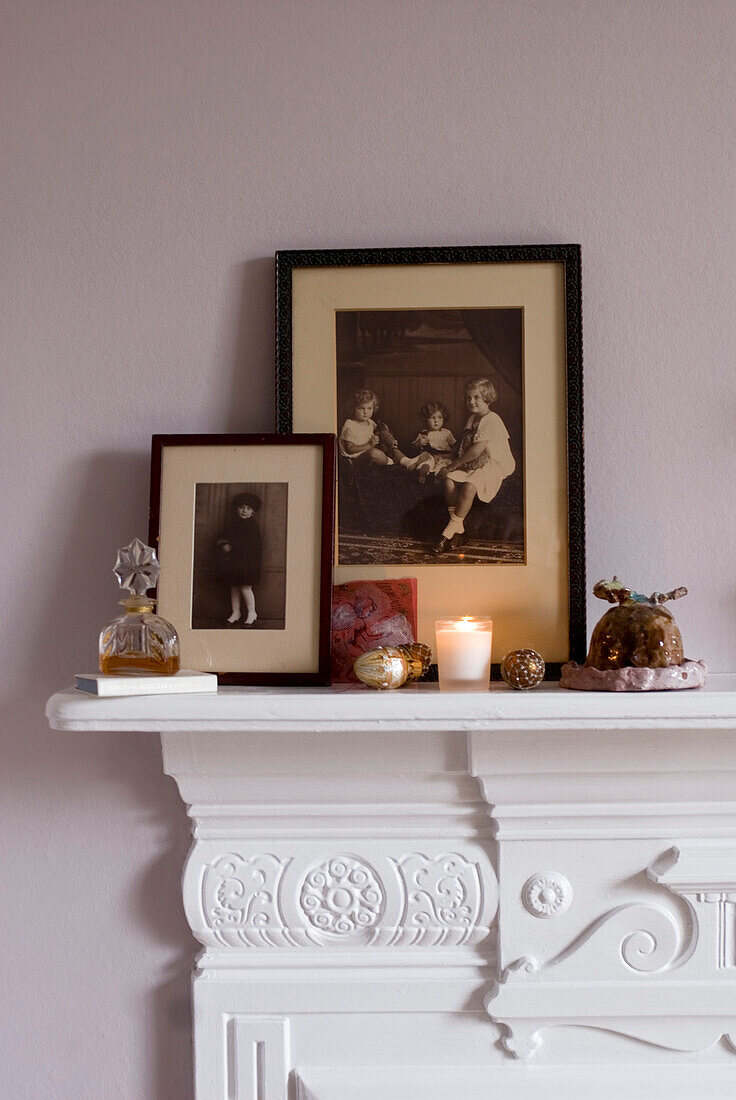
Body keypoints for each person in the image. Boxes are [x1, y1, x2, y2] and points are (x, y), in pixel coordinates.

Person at [434, 377, 516, 554]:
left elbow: (477, 450)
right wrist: (449, 463)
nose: (471, 401)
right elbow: (465, 445)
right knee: (448, 481)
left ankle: (446, 534)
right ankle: (459, 529)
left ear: (487, 398)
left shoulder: (492, 419)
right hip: (475, 462)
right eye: (468, 398)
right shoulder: (472, 418)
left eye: (476, 397)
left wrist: (453, 465)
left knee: (470, 486)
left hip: (494, 462)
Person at [214, 492, 262, 625]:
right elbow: (221, 537)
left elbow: (249, 544)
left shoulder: (253, 526)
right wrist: (224, 544)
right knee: (234, 587)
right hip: (233, 562)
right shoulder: (232, 525)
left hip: (248, 563)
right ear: (237, 509)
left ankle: (252, 612)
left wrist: (232, 546)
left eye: (248, 508)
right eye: (242, 507)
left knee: (245, 588)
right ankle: (236, 612)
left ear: (252, 512)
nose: (244, 511)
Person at [338, 389, 412, 467]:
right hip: (356, 459)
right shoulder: (350, 425)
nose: (365, 412)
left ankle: (407, 462)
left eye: (369, 408)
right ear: (353, 408)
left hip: (373, 452)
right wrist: (369, 445)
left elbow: (381, 436)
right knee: (374, 453)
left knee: (391, 447)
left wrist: (390, 441)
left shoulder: (371, 423)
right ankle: (392, 463)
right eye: (361, 408)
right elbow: (350, 449)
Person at [410, 401, 457, 483]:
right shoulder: (424, 433)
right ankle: (423, 472)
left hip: (444, 456)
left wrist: (454, 452)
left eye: (439, 417)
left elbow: (455, 445)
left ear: (444, 418)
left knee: (445, 464)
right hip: (430, 455)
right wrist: (418, 443)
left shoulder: (447, 433)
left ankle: (439, 476)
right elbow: (413, 447)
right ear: (426, 419)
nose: (436, 421)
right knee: (427, 461)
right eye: (432, 418)